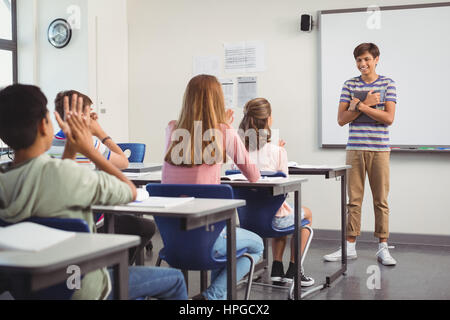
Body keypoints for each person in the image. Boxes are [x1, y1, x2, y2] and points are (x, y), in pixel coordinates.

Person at [0, 84, 187, 300]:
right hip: (82, 288)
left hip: (28, 289)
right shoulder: (71, 176)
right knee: (175, 280)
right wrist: (89, 150)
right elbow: (130, 190)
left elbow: (56, 179)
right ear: (44, 125)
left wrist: (71, 150)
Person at [162, 74, 264, 300]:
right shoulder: (224, 131)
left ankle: (212, 296)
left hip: (171, 242)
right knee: (256, 246)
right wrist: (225, 127)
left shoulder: (171, 128)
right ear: (218, 100)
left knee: (228, 238)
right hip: (207, 239)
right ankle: (211, 297)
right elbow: (254, 175)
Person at [49, 90, 156, 265]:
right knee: (146, 227)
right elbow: (123, 161)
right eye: (90, 112)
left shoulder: (48, 145)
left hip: (59, 222)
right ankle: (118, 271)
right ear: (82, 116)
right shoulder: (93, 144)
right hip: (93, 220)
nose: (94, 116)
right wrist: (99, 132)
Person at [324, 43, 397, 266]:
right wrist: (366, 104)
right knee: (354, 200)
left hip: (379, 149)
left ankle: (382, 247)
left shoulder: (388, 84)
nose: (362, 64)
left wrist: (361, 107)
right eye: (358, 60)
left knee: (380, 201)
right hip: (355, 148)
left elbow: (389, 118)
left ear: (376, 59)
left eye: (366, 59)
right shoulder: (349, 84)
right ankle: (350, 246)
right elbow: (341, 119)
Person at [237, 98, 314, 287]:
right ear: (268, 119)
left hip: (248, 220)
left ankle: (277, 268)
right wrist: (279, 151)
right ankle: (294, 270)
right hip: (273, 221)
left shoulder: (238, 152)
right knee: (303, 213)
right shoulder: (277, 151)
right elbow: (283, 189)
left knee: (281, 208)